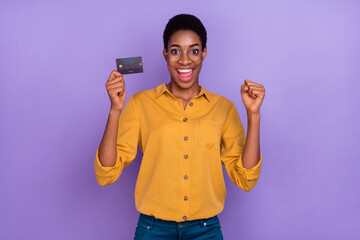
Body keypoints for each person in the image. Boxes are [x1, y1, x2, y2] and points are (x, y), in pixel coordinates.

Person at [94, 14, 265, 240]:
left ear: (204, 53)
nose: (185, 60)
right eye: (175, 51)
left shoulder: (224, 108)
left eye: (193, 50)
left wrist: (253, 115)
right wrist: (115, 110)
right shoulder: (140, 104)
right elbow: (106, 173)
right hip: (152, 230)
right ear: (165, 54)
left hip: (206, 231)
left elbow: (246, 179)